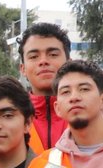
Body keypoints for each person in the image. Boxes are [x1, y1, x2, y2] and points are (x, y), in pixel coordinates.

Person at [18, 22, 71, 152]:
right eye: (34, 56)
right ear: (23, 69)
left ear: (69, 63)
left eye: (53, 54)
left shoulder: (98, 120)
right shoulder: (7, 120)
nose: (43, 61)